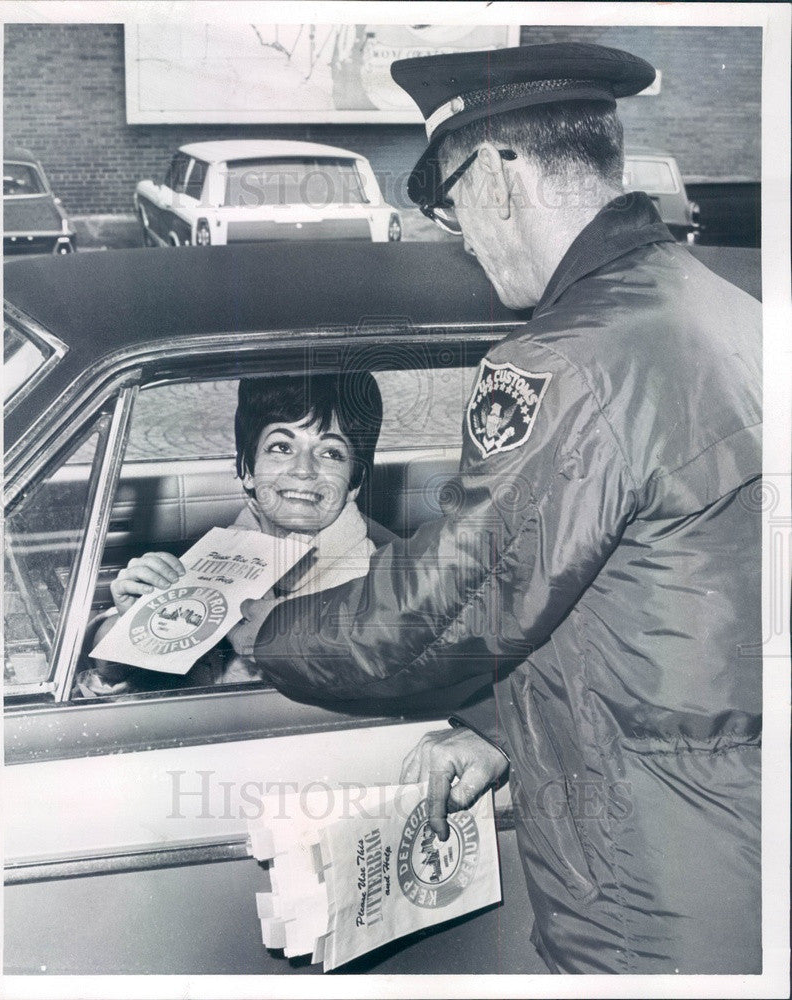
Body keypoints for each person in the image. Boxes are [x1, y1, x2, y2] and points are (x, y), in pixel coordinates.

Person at [236, 43, 763, 974]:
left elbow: (442, 612)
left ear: (497, 175)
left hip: (647, 889)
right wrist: (491, 729)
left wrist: (262, 634)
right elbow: (652, 592)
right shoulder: (727, 312)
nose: (461, 238)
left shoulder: (568, 361)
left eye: (449, 206)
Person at [74, 371, 386, 696]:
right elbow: (141, 679)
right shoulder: (220, 553)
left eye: (331, 453)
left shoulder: (374, 592)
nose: (303, 470)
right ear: (248, 470)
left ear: (354, 484)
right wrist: (131, 625)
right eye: (281, 447)